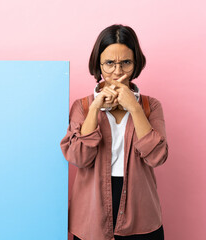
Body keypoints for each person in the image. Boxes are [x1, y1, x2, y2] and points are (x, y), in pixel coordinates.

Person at [60, 24, 168, 240]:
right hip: (92, 215)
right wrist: (94, 109)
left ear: (135, 64)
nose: (118, 72)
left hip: (141, 214)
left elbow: (157, 157)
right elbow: (79, 158)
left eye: (126, 63)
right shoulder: (82, 107)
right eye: (109, 63)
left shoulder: (151, 106)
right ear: (98, 65)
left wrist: (134, 108)